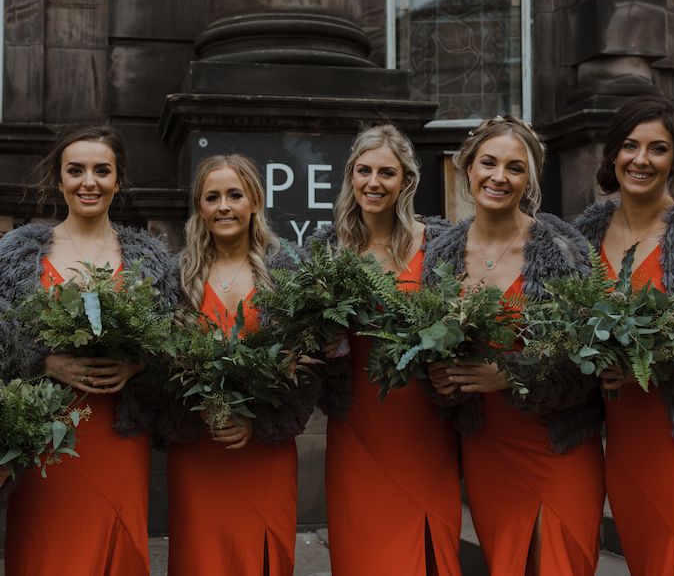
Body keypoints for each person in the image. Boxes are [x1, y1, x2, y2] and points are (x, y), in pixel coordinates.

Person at [427, 115, 605, 575]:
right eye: (488, 162)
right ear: (468, 167)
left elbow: (589, 353)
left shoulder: (562, 248)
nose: (498, 177)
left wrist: (511, 374)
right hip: (489, 445)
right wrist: (441, 377)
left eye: (514, 167)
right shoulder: (441, 254)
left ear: (529, 179)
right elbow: (430, 343)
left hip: (556, 443)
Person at [0, 126, 177, 575]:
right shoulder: (17, 254)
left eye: (102, 170)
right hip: (45, 439)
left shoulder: (148, 258)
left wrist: (138, 362)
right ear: (59, 181)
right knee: (49, 550)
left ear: (118, 181)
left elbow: (172, 341)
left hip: (117, 434)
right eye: (75, 170)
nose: (89, 182)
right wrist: (44, 360)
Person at [575, 93, 674, 575]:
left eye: (657, 148)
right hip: (626, 444)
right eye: (629, 146)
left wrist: (666, 359)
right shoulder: (581, 239)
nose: (641, 159)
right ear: (612, 156)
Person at [312, 124, 462, 576]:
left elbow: (463, 325)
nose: (373, 183)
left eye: (386, 173)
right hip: (358, 421)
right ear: (350, 176)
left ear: (406, 181)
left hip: (423, 422)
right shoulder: (328, 252)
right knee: (364, 553)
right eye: (364, 171)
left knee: (429, 549)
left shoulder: (439, 245)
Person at [164, 154, 320, 576]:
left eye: (235, 195)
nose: (224, 206)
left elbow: (309, 366)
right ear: (200, 207)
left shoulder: (288, 272)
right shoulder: (176, 277)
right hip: (199, 450)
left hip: (263, 452)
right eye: (212, 197)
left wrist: (259, 421)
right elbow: (157, 364)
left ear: (255, 201)